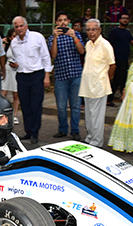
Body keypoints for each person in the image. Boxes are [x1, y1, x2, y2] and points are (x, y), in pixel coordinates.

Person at [11, 16, 53, 144]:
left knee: (36, 105)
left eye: (21, 26)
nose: (19, 29)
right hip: (22, 76)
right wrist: (14, 65)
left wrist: (47, 75)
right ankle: (28, 131)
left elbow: (46, 57)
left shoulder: (37, 37)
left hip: (36, 75)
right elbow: (15, 60)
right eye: (16, 27)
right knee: (25, 105)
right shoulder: (14, 43)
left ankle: (35, 132)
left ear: (26, 25)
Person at [78, 19, 116, 148]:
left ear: (99, 30)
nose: (91, 32)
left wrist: (106, 79)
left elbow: (112, 65)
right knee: (89, 115)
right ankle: (90, 138)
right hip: (87, 86)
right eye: (88, 30)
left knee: (97, 117)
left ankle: (96, 142)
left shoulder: (105, 45)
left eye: (94, 29)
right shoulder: (88, 44)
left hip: (99, 86)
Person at [48, 11, 85, 141]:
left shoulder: (76, 34)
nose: (63, 22)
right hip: (61, 77)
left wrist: (74, 37)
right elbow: (53, 55)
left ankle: (75, 130)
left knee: (75, 106)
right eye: (60, 20)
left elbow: (82, 51)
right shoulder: (52, 38)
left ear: (68, 21)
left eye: (65, 20)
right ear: (56, 23)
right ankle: (62, 129)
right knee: (61, 107)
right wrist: (55, 38)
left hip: (76, 75)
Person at [107, 13, 133, 107]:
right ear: (119, 20)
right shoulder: (114, 32)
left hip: (124, 60)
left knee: (122, 80)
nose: (125, 20)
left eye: (127, 18)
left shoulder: (127, 33)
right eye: (123, 18)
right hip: (115, 60)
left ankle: (119, 99)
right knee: (116, 80)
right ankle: (109, 99)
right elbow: (108, 45)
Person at [1, 28, 20, 125]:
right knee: (3, 93)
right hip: (7, 70)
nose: (15, 38)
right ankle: (2, 114)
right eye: (13, 36)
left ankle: (15, 115)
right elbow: (1, 55)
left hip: (16, 71)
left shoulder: (21, 46)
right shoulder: (7, 45)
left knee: (16, 95)